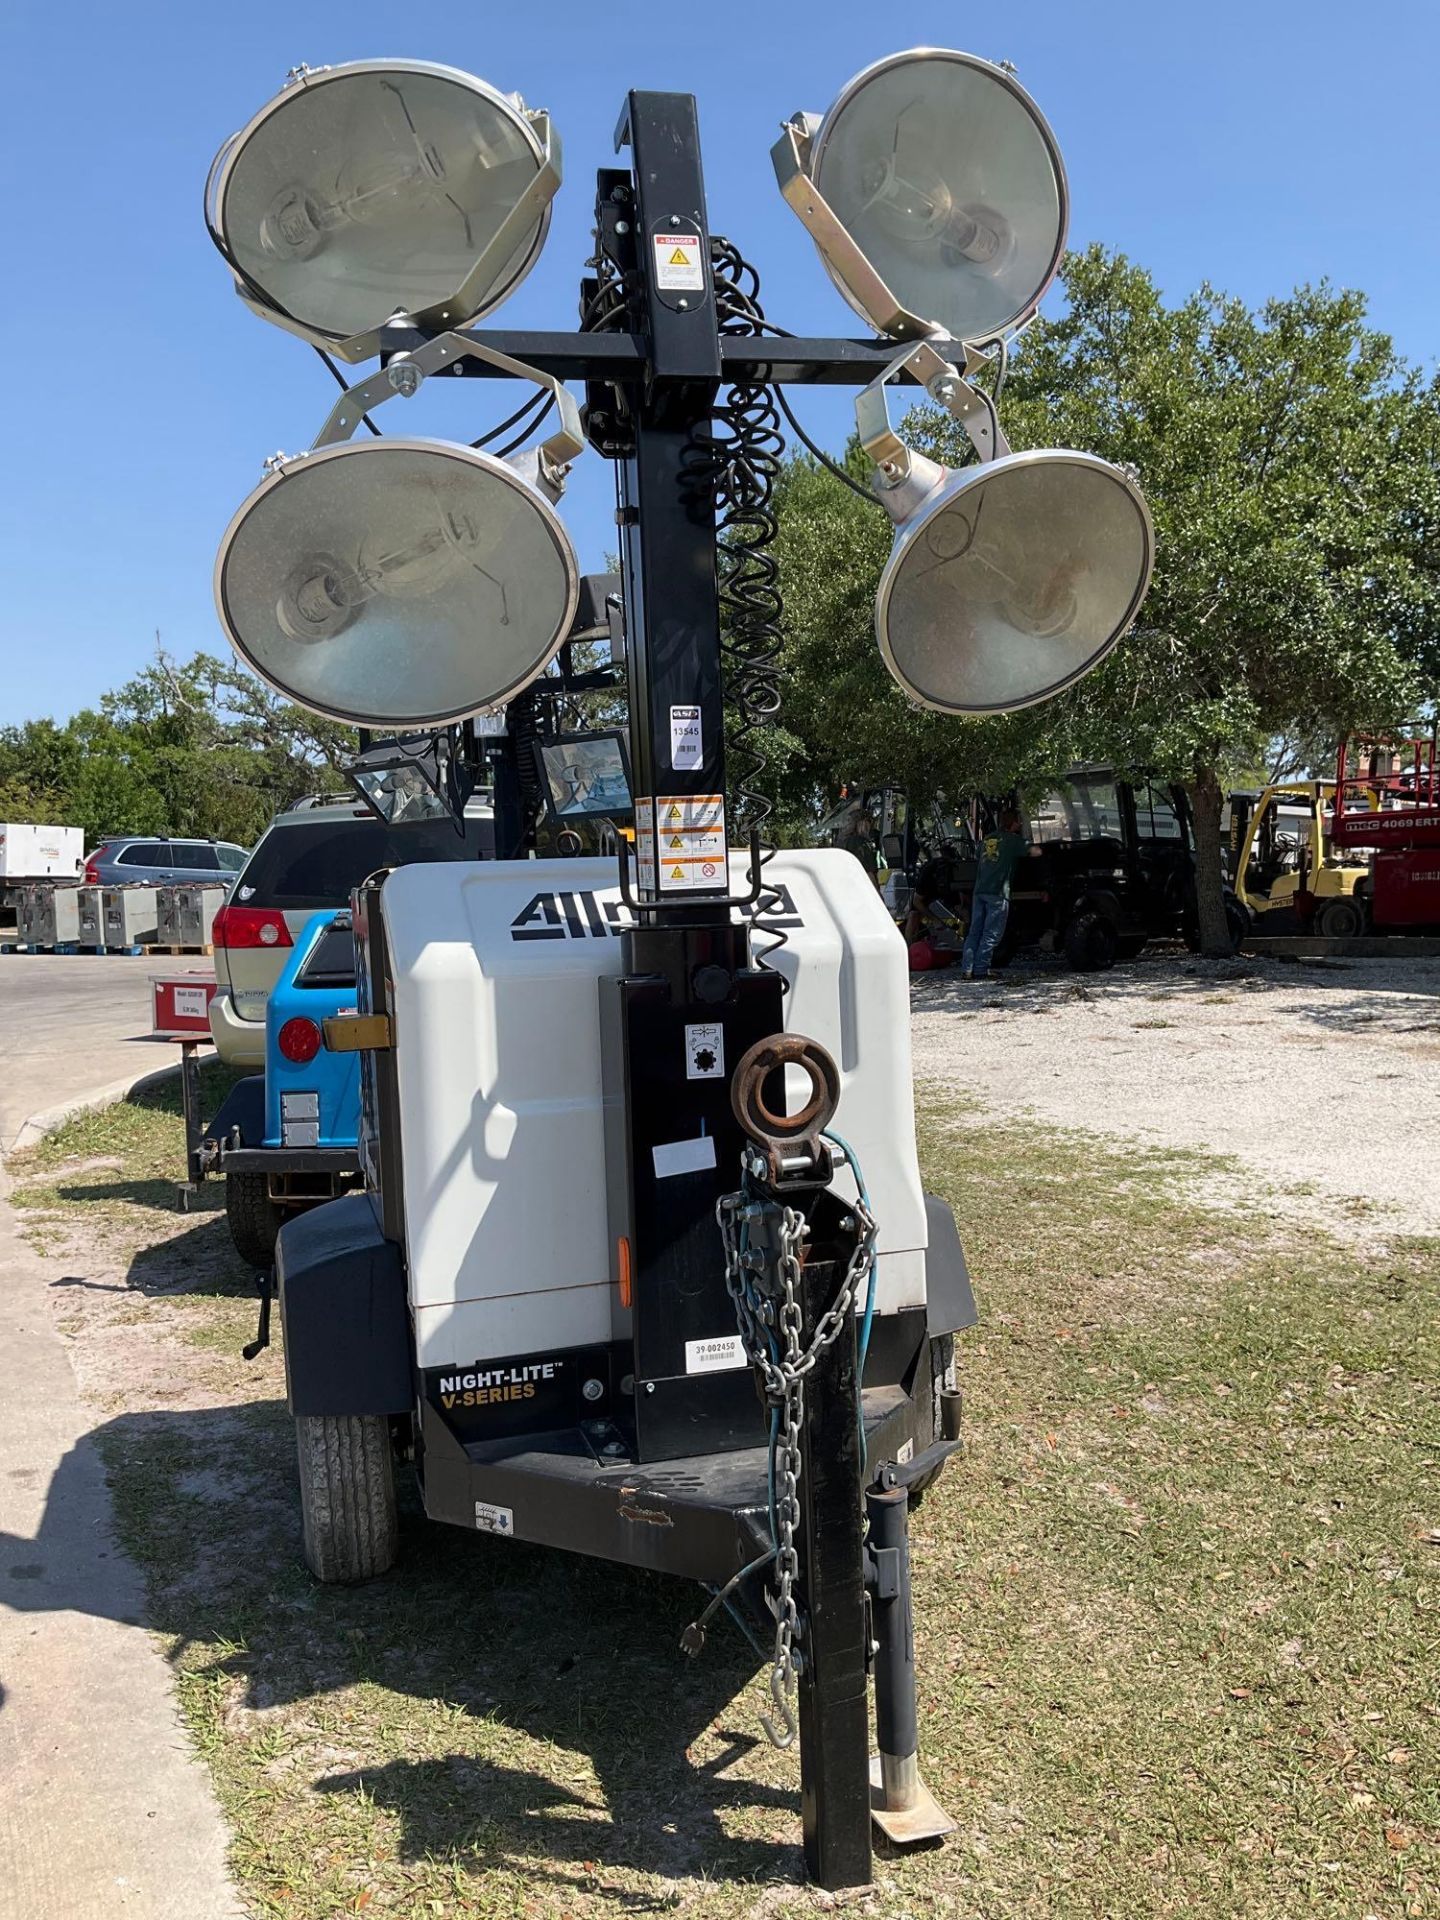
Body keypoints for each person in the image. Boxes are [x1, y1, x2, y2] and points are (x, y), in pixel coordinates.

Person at [961, 807, 1029, 979]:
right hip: (998, 892)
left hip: (979, 890)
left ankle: (967, 969)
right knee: (991, 933)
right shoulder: (1014, 841)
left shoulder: (988, 839)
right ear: (1014, 823)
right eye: (1019, 822)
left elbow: (978, 856)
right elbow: (1032, 852)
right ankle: (982, 969)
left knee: (974, 931)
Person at [835, 802, 880, 884]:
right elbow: (869, 873)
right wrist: (877, 894)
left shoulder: (842, 842)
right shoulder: (858, 842)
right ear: (862, 823)